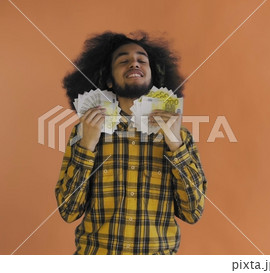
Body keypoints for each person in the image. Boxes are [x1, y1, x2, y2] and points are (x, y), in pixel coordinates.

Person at [55, 31, 207, 255]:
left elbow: (193, 213)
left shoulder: (179, 136)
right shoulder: (85, 131)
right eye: (124, 60)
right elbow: (68, 211)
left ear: (153, 77)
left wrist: (175, 145)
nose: (134, 63)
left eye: (141, 60)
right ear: (109, 79)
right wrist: (87, 145)